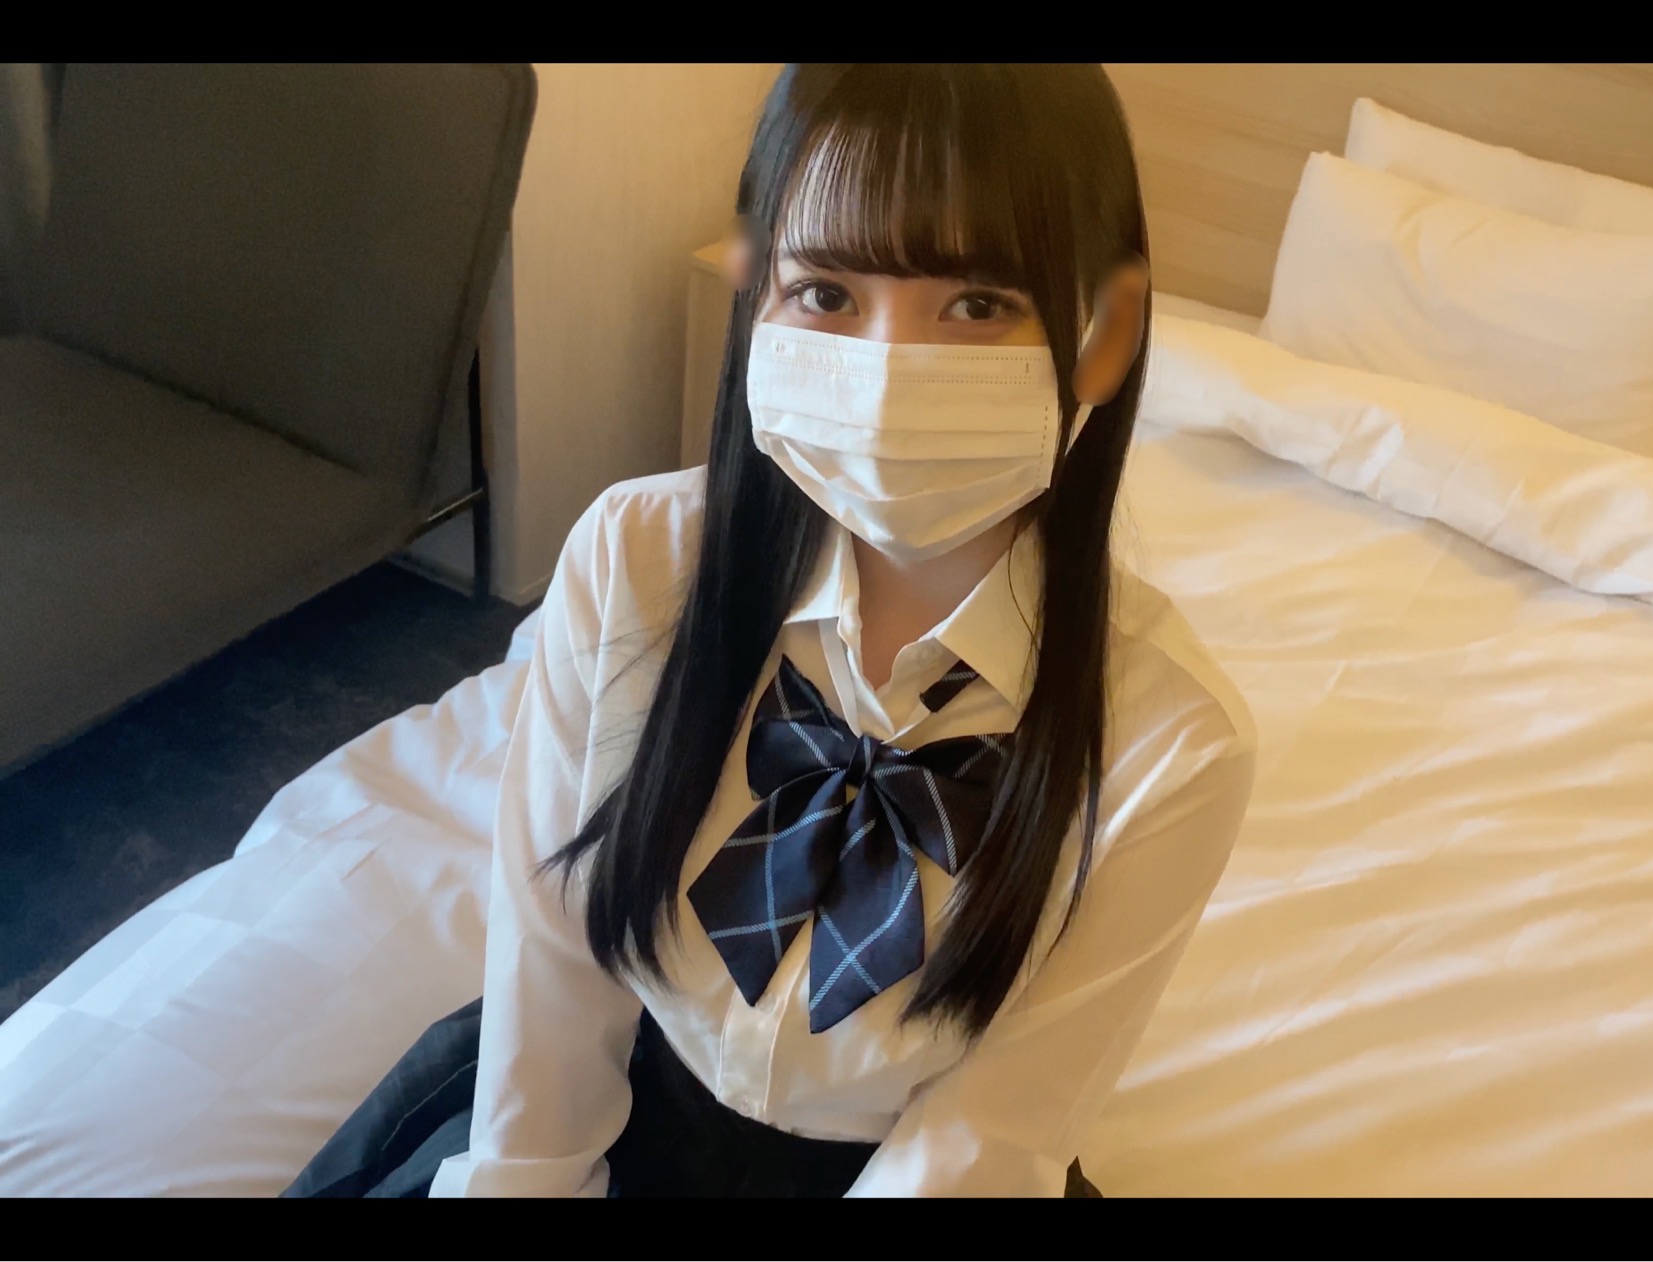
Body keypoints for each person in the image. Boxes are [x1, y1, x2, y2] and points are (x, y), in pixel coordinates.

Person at [285, 62, 1256, 1200]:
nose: (888, 373)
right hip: (617, 1103)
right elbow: (555, 945)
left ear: (1104, 332)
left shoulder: (1170, 744)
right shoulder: (636, 560)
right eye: (826, 292)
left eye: (978, 304)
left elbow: (983, 1137)